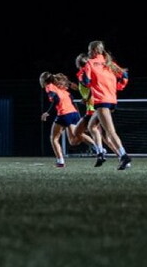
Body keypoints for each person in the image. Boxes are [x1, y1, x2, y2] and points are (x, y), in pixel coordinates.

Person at [79, 40, 132, 170]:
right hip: (112, 100)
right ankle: (100, 152)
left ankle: (124, 156)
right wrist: (119, 86)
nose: (89, 52)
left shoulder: (90, 63)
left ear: (95, 51)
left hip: (101, 102)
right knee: (92, 126)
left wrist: (83, 79)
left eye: (89, 50)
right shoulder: (110, 63)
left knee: (110, 132)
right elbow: (124, 75)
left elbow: (86, 82)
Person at [39, 71, 96, 168]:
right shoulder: (62, 89)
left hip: (64, 114)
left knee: (54, 138)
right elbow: (71, 99)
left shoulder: (49, 87)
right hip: (73, 113)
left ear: (44, 80)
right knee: (73, 141)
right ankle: (97, 147)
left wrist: (47, 112)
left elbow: (56, 99)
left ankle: (60, 161)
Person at [72, 53, 108, 166]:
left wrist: (86, 98)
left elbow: (91, 89)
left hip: (93, 108)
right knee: (81, 132)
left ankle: (102, 152)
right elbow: (88, 89)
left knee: (101, 134)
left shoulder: (84, 73)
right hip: (93, 107)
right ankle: (100, 151)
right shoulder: (85, 73)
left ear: (78, 63)